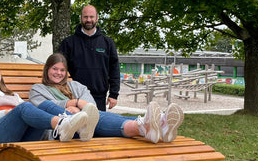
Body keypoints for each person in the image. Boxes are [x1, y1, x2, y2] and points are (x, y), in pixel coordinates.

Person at [29, 53, 185, 143]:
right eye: (54, 69)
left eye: (62, 70)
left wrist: (78, 109)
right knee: (93, 118)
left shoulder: (75, 85)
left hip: (88, 128)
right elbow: (48, 107)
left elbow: (91, 106)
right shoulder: (38, 89)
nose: (58, 73)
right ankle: (146, 126)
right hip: (61, 132)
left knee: (94, 117)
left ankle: (155, 126)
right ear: (47, 69)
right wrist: (76, 103)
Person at [0, 59, 100, 147]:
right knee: (26, 107)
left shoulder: (13, 95)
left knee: (43, 106)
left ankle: (78, 127)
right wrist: (7, 113)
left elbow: (30, 115)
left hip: (22, 138)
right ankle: (62, 124)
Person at [58, 4, 120, 111]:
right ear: (81, 18)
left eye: (91, 17)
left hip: (99, 97)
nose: (88, 20)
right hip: (74, 97)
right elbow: (59, 67)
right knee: (77, 127)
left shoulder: (107, 43)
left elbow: (114, 69)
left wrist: (114, 94)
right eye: (85, 17)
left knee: (98, 126)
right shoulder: (68, 43)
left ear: (97, 18)